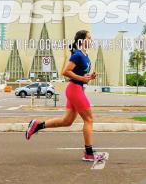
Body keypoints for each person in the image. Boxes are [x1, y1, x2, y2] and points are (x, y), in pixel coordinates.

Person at [25, 29, 100, 161]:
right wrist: (82, 79)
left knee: (67, 121)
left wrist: (89, 77)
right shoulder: (77, 55)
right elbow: (65, 71)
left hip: (77, 89)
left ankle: (37, 125)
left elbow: (81, 75)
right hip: (74, 89)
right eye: (89, 38)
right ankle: (88, 153)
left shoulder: (85, 56)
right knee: (89, 119)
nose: (91, 40)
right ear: (81, 40)